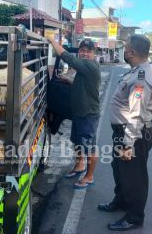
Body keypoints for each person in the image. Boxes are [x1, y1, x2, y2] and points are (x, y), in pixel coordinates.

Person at [98, 34, 152, 231]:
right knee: (120, 171)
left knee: (134, 178)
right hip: (122, 132)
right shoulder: (134, 72)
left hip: (134, 135)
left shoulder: (141, 77)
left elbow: (137, 113)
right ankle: (121, 201)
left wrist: (128, 143)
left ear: (131, 52)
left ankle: (134, 217)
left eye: (126, 47)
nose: (124, 50)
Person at [48, 38, 101, 189]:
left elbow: (67, 57)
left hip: (88, 114)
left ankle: (89, 177)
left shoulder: (90, 66)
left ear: (93, 54)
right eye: (82, 50)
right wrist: (67, 80)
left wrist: (52, 40)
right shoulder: (84, 70)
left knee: (89, 146)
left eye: (88, 51)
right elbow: (83, 86)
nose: (84, 54)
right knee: (77, 141)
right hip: (78, 112)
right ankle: (80, 165)